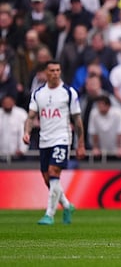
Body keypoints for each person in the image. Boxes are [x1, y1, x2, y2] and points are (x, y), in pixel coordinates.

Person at [23, 60, 86, 225]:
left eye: (58, 70)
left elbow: (77, 120)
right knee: (47, 178)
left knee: (53, 171)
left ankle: (49, 215)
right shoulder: (38, 93)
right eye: (52, 70)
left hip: (62, 137)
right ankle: (67, 205)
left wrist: (80, 144)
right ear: (45, 73)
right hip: (45, 139)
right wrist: (27, 132)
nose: (55, 73)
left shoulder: (69, 92)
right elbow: (31, 116)